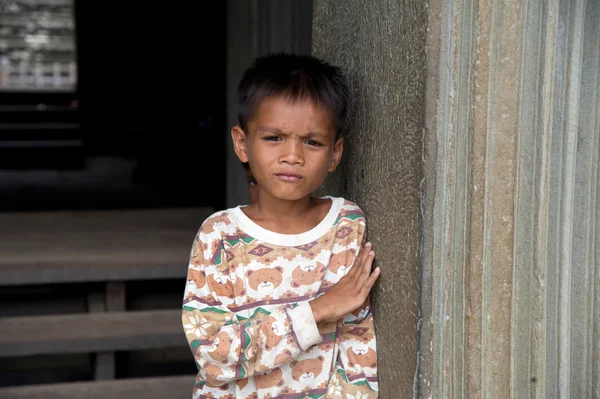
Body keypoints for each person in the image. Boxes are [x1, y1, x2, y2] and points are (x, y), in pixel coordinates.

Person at [182, 53, 380, 399]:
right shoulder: (219, 237)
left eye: (312, 142)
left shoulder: (347, 226)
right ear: (242, 143)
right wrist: (316, 312)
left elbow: (358, 353)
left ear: (335, 153)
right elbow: (213, 358)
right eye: (274, 138)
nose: (293, 156)